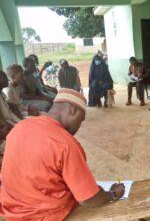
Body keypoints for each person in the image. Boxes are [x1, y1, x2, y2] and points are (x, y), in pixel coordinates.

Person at [0, 88, 125, 221]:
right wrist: (112, 193)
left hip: (10, 211)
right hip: (43, 216)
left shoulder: (20, 127)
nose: (79, 126)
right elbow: (88, 199)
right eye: (81, 120)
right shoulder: (65, 144)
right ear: (73, 111)